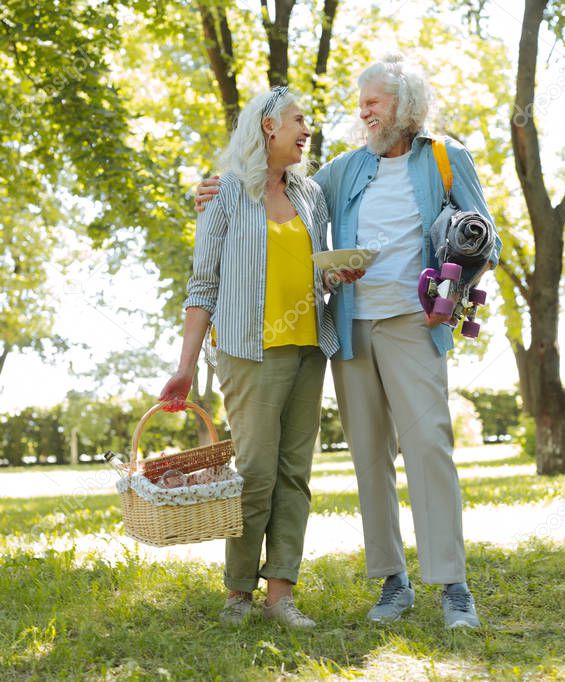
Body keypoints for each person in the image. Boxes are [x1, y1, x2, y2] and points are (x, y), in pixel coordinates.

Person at [196, 55, 501, 628]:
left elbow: (487, 237)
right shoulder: (341, 170)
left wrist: (458, 287)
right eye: (361, 101)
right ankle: (394, 582)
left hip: (416, 323)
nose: (364, 111)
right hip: (355, 327)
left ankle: (453, 586)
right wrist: (215, 188)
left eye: (374, 101)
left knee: (429, 449)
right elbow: (280, 187)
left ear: (404, 106)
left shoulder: (444, 158)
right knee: (369, 457)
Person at [159, 86, 339, 629]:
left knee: (295, 474)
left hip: (310, 347)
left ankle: (281, 593)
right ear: (268, 126)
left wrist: (337, 274)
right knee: (255, 474)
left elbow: (317, 270)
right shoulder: (226, 195)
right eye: (298, 120)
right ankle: (238, 592)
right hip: (248, 351)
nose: (306, 129)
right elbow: (202, 285)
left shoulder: (311, 195)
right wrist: (185, 366)